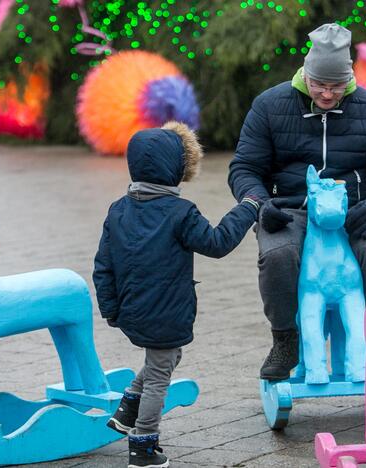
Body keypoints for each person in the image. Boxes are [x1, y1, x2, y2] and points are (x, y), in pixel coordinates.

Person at [228, 23, 366, 381]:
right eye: (319, 85)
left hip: (354, 210)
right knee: (278, 255)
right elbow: (245, 168)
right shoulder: (269, 105)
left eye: (336, 86)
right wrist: (262, 203)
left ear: (349, 78)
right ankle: (285, 339)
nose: (327, 94)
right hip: (290, 209)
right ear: (305, 73)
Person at [93, 122, 261, 468]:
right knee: (159, 374)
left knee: (165, 359)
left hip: (130, 310)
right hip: (166, 311)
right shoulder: (180, 213)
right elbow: (217, 244)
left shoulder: (118, 209)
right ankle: (143, 446)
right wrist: (248, 208)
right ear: (177, 169)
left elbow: (102, 265)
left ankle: (127, 409)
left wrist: (111, 309)